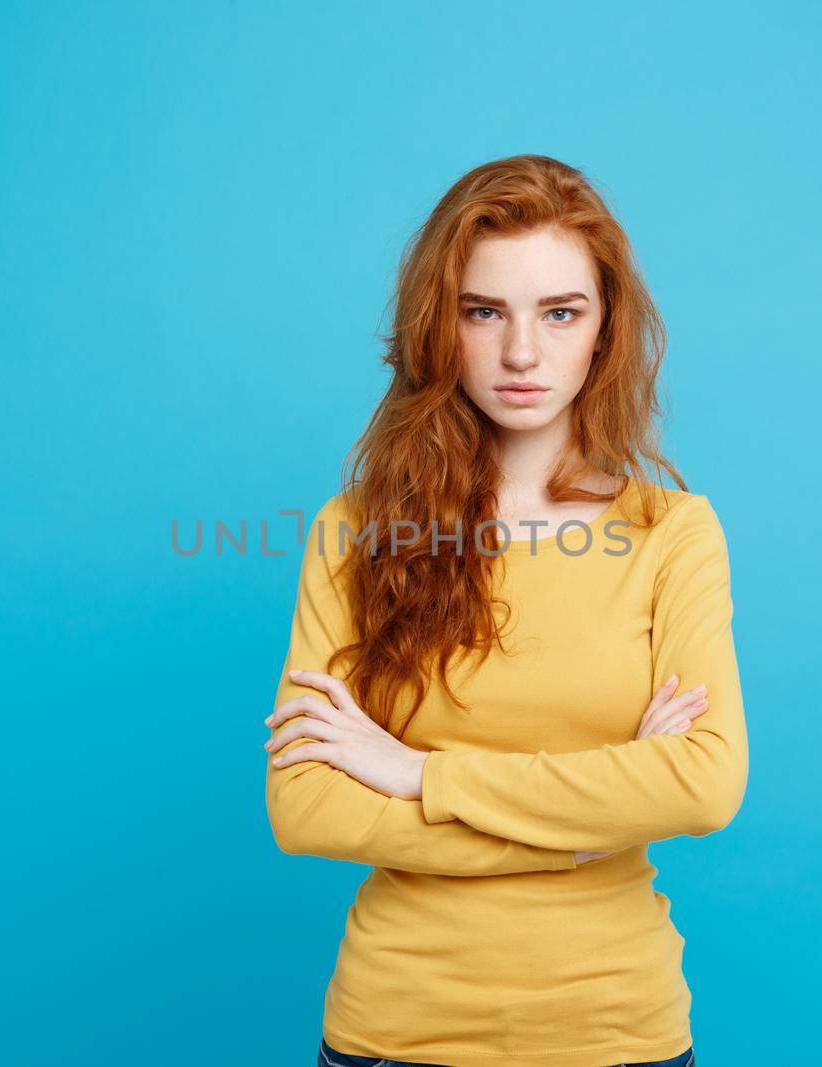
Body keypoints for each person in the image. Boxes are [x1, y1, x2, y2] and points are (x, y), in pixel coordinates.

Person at [263, 154, 746, 1067]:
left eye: (560, 312)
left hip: (617, 1029)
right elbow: (306, 806)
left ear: (604, 331)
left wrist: (418, 774)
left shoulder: (672, 533)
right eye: (484, 311)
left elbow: (703, 782)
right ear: (437, 327)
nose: (522, 353)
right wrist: (582, 828)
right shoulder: (355, 530)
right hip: (396, 1029)